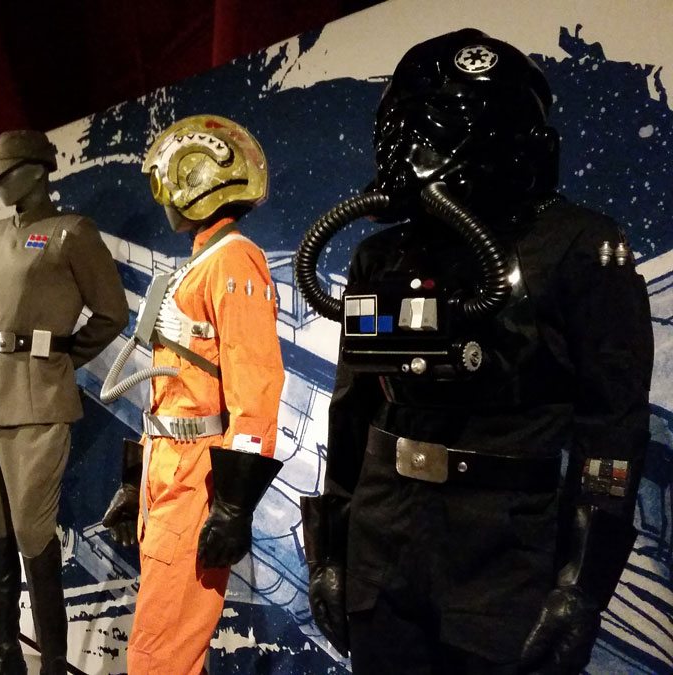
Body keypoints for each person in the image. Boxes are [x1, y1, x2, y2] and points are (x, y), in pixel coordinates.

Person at [294, 29, 653, 674]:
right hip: (384, 532)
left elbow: (612, 430)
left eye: (440, 125)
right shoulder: (383, 255)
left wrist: (582, 584)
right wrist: (330, 547)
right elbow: (353, 410)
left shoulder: (581, 247)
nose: (417, 147)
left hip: (505, 552)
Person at [98, 114, 286, 674]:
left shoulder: (233, 260)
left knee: (161, 654)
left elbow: (256, 388)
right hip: (169, 468)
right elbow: (170, 382)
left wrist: (233, 506)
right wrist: (135, 479)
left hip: (195, 477)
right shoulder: (201, 263)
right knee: (171, 647)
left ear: (197, 184)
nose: (164, 200)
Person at [0, 130, 128, 674]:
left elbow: (112, 314)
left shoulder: (71, 233)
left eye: (6, 172)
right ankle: (6, 654)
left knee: (34, 533)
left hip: (35, 404)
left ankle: (53, 663)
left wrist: (58, 360)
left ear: (37, 171)